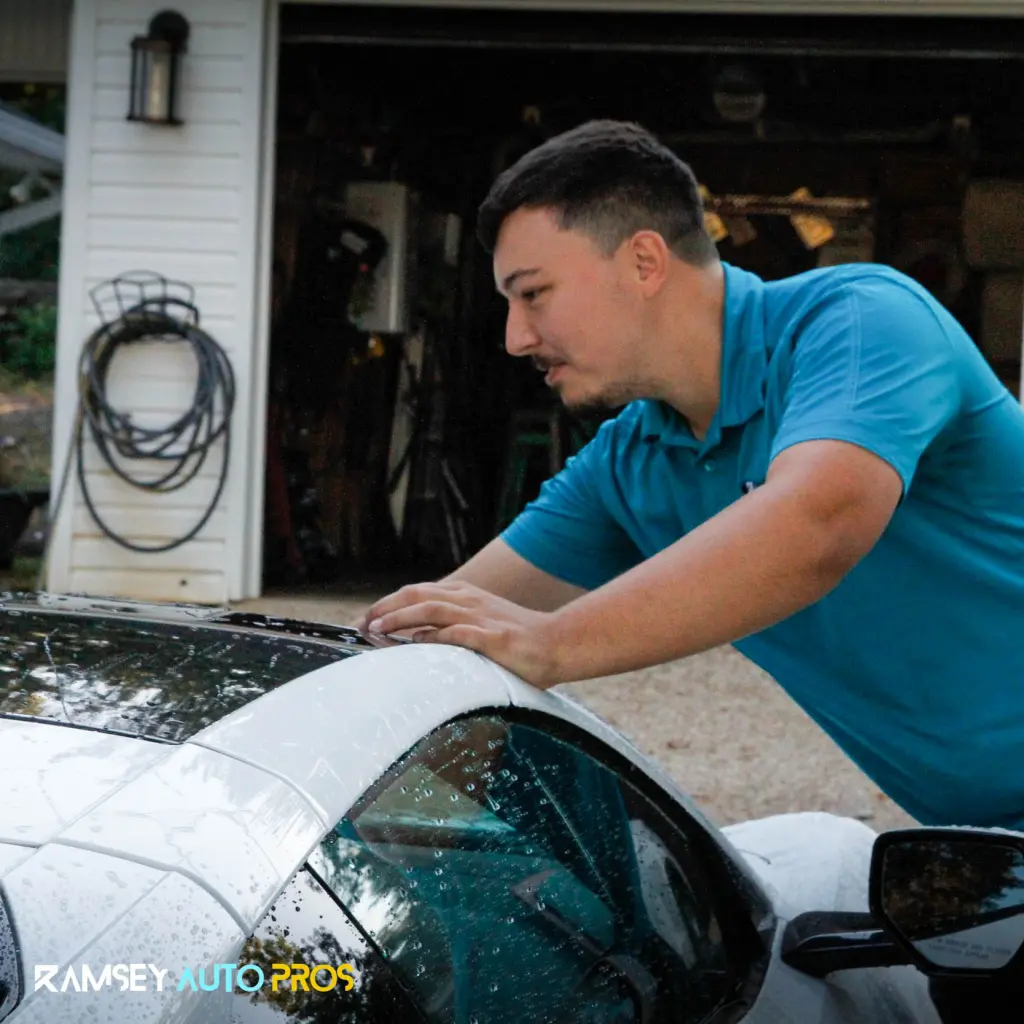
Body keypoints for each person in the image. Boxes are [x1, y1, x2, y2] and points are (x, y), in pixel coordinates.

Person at [359, 118, 1024, 835]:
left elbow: (817, 523)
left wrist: (552, 643)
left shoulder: (865, 321)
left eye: (535, 293)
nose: (515, 337)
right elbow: (443, 619)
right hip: (979, 845)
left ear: (644, 262)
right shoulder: (631, 463)